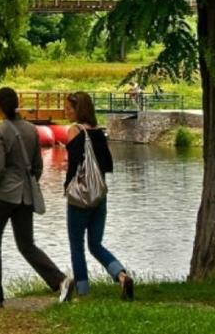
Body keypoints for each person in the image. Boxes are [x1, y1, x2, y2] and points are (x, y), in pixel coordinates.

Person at [0, 87, 73, 308]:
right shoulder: (32, 129)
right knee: (27, 245)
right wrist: (28, 185)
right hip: (25, 196)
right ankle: (60, 280)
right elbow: (38, 167)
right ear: (17, 104)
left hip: (1, 196)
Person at [64, 91, 135, 300]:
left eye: (69, 108)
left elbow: (73, 167)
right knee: (95, 244)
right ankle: (121, 276)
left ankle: (83, 292)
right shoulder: (98, 133)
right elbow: (107, 165)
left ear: (79, 110)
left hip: (80, 198)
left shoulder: (74, 131)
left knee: (77, 246)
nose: (66, 111)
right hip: (99, 197)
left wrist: (67, 188)